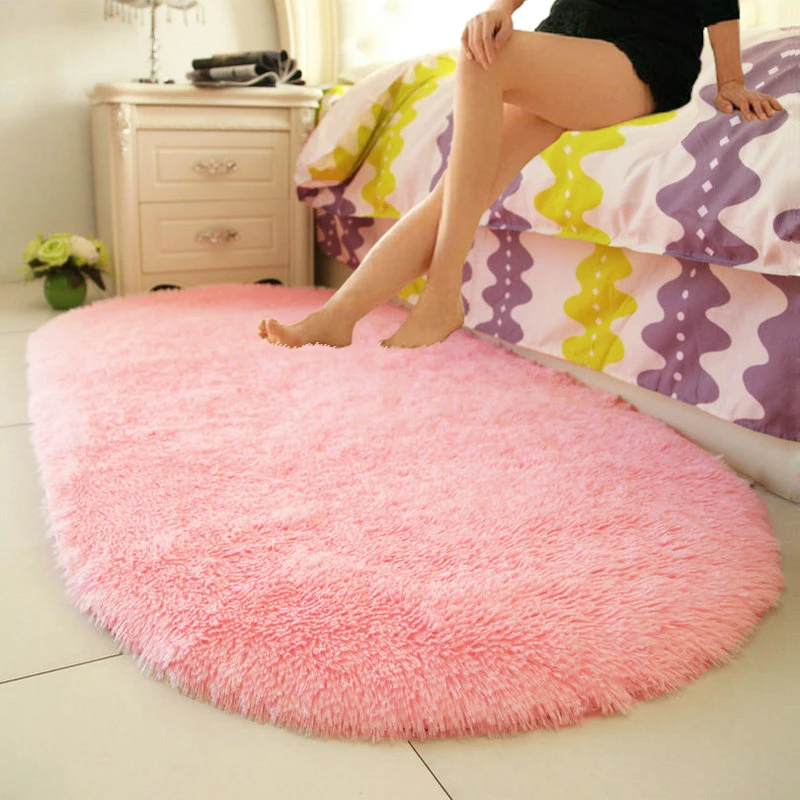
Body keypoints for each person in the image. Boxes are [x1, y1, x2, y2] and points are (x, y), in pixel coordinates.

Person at [259, 0, 784, 350]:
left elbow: (719, 4)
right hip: (569, 45)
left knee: (485, 58)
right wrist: (498, 10)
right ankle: (339, 317)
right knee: (455, 191)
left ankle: (443, 289)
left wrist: (730, 80)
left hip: (641, 59)